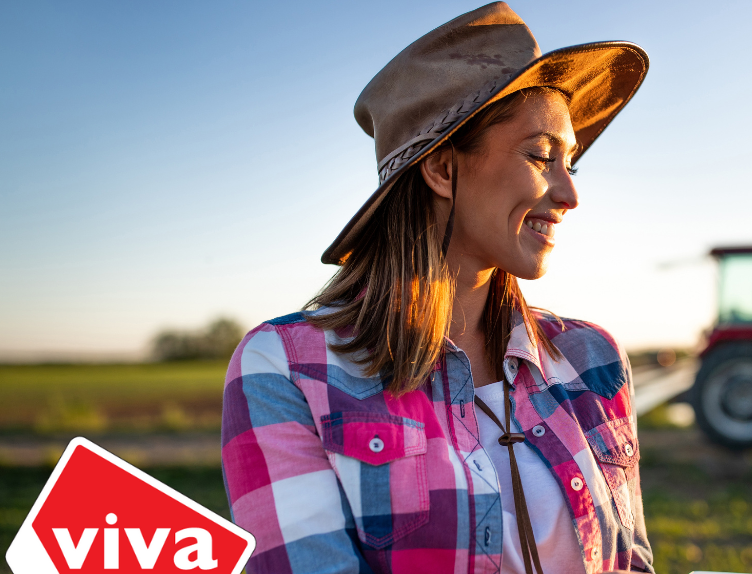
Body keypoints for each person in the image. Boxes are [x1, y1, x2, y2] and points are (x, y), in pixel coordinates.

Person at [221, 3, 651, 573]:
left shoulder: (592, 358)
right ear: (443, 170)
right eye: (541, 156)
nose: (569, 194)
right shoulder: (288, 369)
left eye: (571, 163)